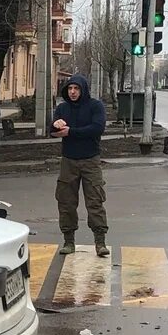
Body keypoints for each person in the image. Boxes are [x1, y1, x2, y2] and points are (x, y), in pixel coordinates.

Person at [51, 73, 109, 257]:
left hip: (90, 160)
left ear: (83, 90)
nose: (73, 92)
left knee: (95, 201)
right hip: (68, 161)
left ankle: (100, 242)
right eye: (70, 88)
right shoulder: (62, 108)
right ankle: (69, 241)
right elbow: (52, 130)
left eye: (76, 88)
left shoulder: (95, 106)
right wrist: (55, 125)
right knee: (66, 201)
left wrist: (71, 132)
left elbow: (97, 128)